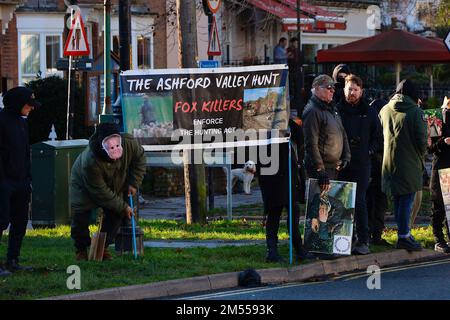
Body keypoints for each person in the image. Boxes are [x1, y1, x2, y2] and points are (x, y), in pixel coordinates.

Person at [70, 122, 146, 261]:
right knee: (80, 216)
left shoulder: (129, 143)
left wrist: (133, 183)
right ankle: (81, 249)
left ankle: (102, 247)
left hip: (115, 181)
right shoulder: (90, 161)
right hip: (84, 185)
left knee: (116, 213)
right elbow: (101, 193)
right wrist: (123, 206)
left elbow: (140, 158)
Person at [379, 79, 427, 251]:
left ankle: (402, 234)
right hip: (409, 163)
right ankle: (404, 236)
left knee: (398, 200)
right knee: (407, 199)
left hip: (388, 163)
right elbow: (422, 142)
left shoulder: (384, 109)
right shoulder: (415, 112)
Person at [337, 75, 383, 255]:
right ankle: (343, 240)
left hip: (362, 163)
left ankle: (363, 239)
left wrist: (368, 151)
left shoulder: (370, 112)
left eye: (356, 90)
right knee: (340, 201)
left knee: (359, 201)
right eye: (350, 89)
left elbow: (378, 138)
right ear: (344, 90)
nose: (352, 93)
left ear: (361, 91)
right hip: (342, 162)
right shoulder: (338, 109)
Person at [258, 118, 313, 263]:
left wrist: (288, 121)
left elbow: (300, 138)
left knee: (293, 212)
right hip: (271, 175)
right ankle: (272, 251)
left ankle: (298, 248)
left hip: (289, 175)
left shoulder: (286, 123)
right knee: (274, 213)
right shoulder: (260, 125)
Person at [0, 86, 41, 276]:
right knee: (1, 220)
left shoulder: (22, 123)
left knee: (20, 221)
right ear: (18, 104)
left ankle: (12, 260)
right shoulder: (1, 121)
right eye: (28, 104)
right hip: (4, 181)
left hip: (21, 181)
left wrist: (28, 179)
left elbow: (25, 153)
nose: (31, 108)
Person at [302, 74, 351, 192]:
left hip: (334, 167)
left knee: (330, 207)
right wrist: (320, 170)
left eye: (333, 88)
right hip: (323, 170)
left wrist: (346, 157)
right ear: (317, 89)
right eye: (329, 88)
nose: (333, 91)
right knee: (320, 207)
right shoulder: (312, 111)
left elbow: (342, 133)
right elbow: (311, 143)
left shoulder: (331, 108)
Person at [427, 96, 450, 253]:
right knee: (439, 206)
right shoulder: (436, 118)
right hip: (441, 166)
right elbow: (429, 148)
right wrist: (443, 142)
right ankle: (438, 239)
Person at [367, 92, 390, 246]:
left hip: (371, 167)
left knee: (369, 201)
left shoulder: (369, 121)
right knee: (379, 202)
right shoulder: (384, 125)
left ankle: (370, 233)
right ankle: (377, 234)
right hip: (381, 167)